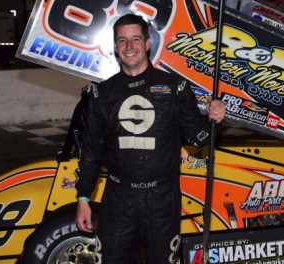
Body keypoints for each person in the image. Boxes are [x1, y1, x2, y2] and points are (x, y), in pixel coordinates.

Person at [74, 13, 226, 263]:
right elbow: (91, 152)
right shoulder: (101, 94)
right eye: (122, 41)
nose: (129, 47)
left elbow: (199, 138)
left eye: (135, 39)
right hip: (118, 198)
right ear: (115, 47)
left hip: (162, 199)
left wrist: (214, 119)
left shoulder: (175, 87)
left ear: (147, 44)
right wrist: (83, 198)